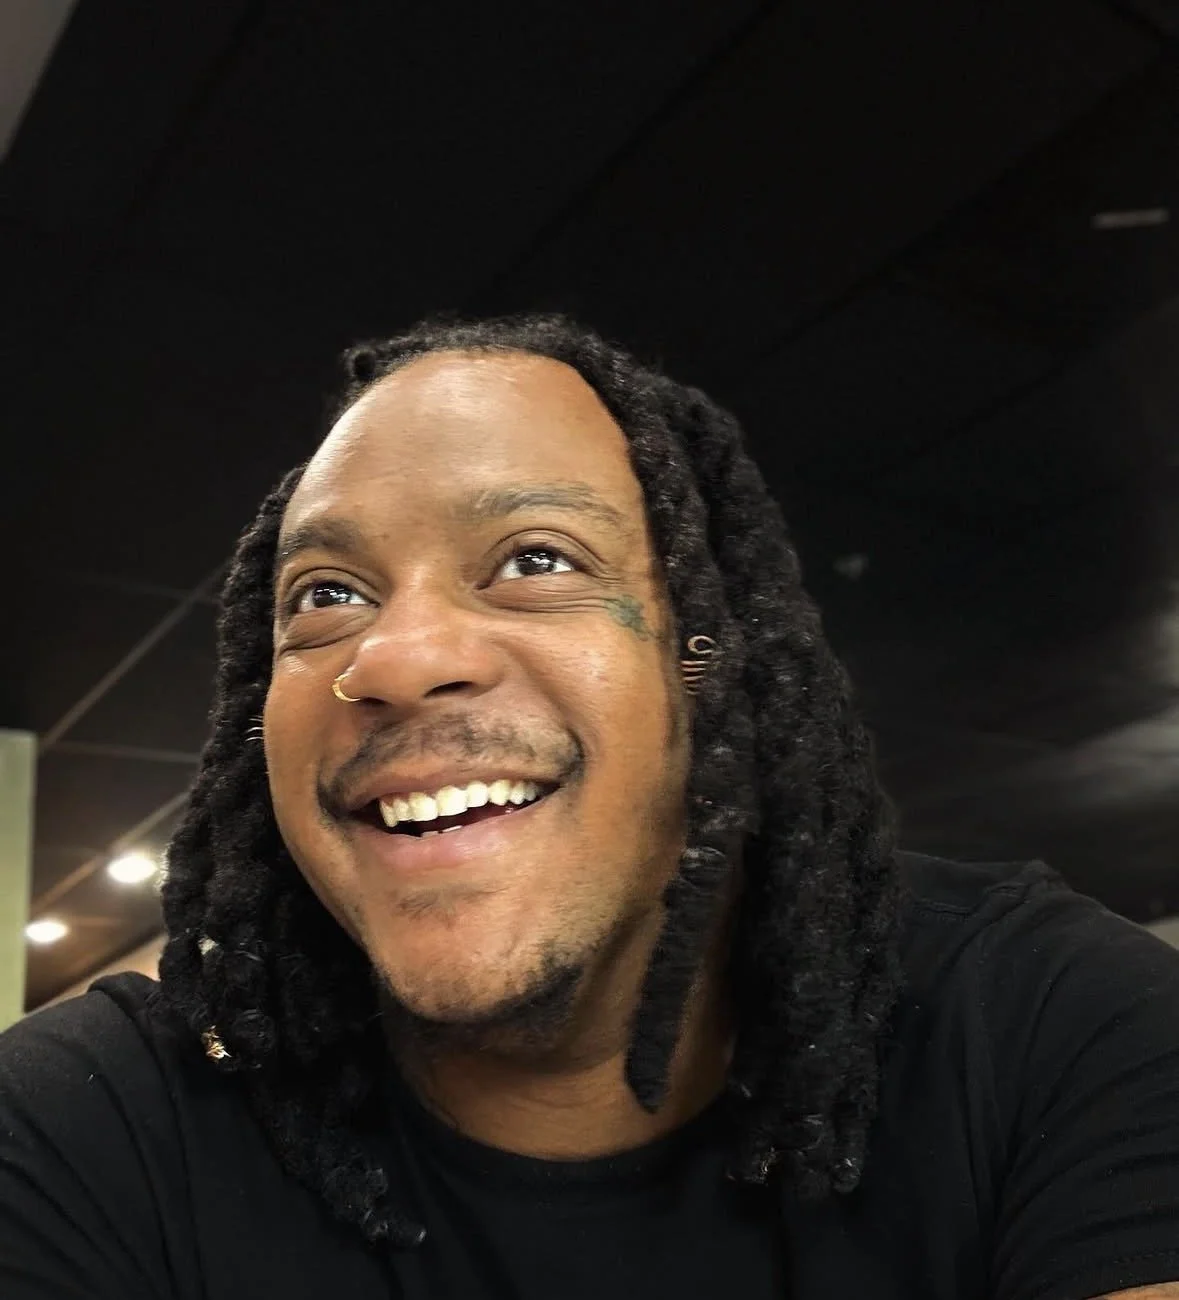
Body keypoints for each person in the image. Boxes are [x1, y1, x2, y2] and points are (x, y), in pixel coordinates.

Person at [2, 315, 1178, 1300]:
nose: (396, 655)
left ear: (713, 664)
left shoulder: (1047, 1030)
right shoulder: (85, 1129)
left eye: (536, 559)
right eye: (327, 594)